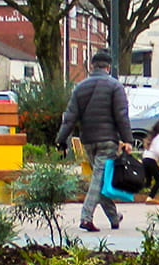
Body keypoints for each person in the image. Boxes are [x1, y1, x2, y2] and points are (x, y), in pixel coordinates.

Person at [53, 50, 133, 232]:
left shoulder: (80, 87)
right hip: (108, 140)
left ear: (92, 66)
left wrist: (61, 140)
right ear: (108, 67)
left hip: (88, 141)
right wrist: (127, 140)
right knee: (99, 179)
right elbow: (122, 115)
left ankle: (114, 217)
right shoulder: (115, 86)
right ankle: (86, 217)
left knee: (100, 178)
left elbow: (69, 117)